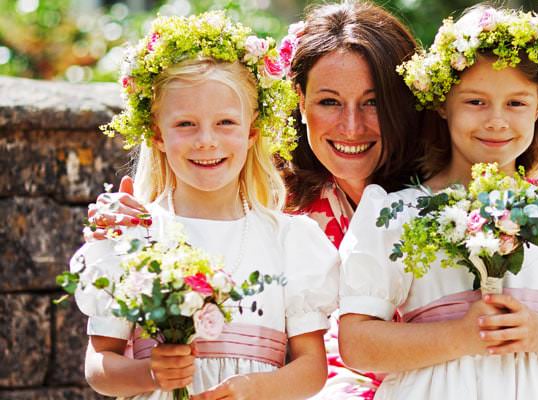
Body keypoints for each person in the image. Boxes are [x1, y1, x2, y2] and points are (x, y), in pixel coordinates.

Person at [84, 2, 424, 398]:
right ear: (299, 100)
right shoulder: (286, 202)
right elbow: (101, 361)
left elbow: (307, 364)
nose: (351, 126)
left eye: (373, 101)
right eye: (329, 101)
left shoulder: (436, 201)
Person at [337, 5, 538, 399]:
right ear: (443, 103)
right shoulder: (398, 213)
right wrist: (459, 335)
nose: (496, 120)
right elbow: (356, 344)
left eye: (516, 103)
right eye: (476, 102)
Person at [71, 12, 337, 400]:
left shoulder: (289, 239)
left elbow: (311, 368)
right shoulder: (131, 235)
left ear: (251, 134)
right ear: (157, 135)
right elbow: (99, 365)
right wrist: (151, 373)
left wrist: (253, 388)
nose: (206, 141)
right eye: (186, 124)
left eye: (226, 122)